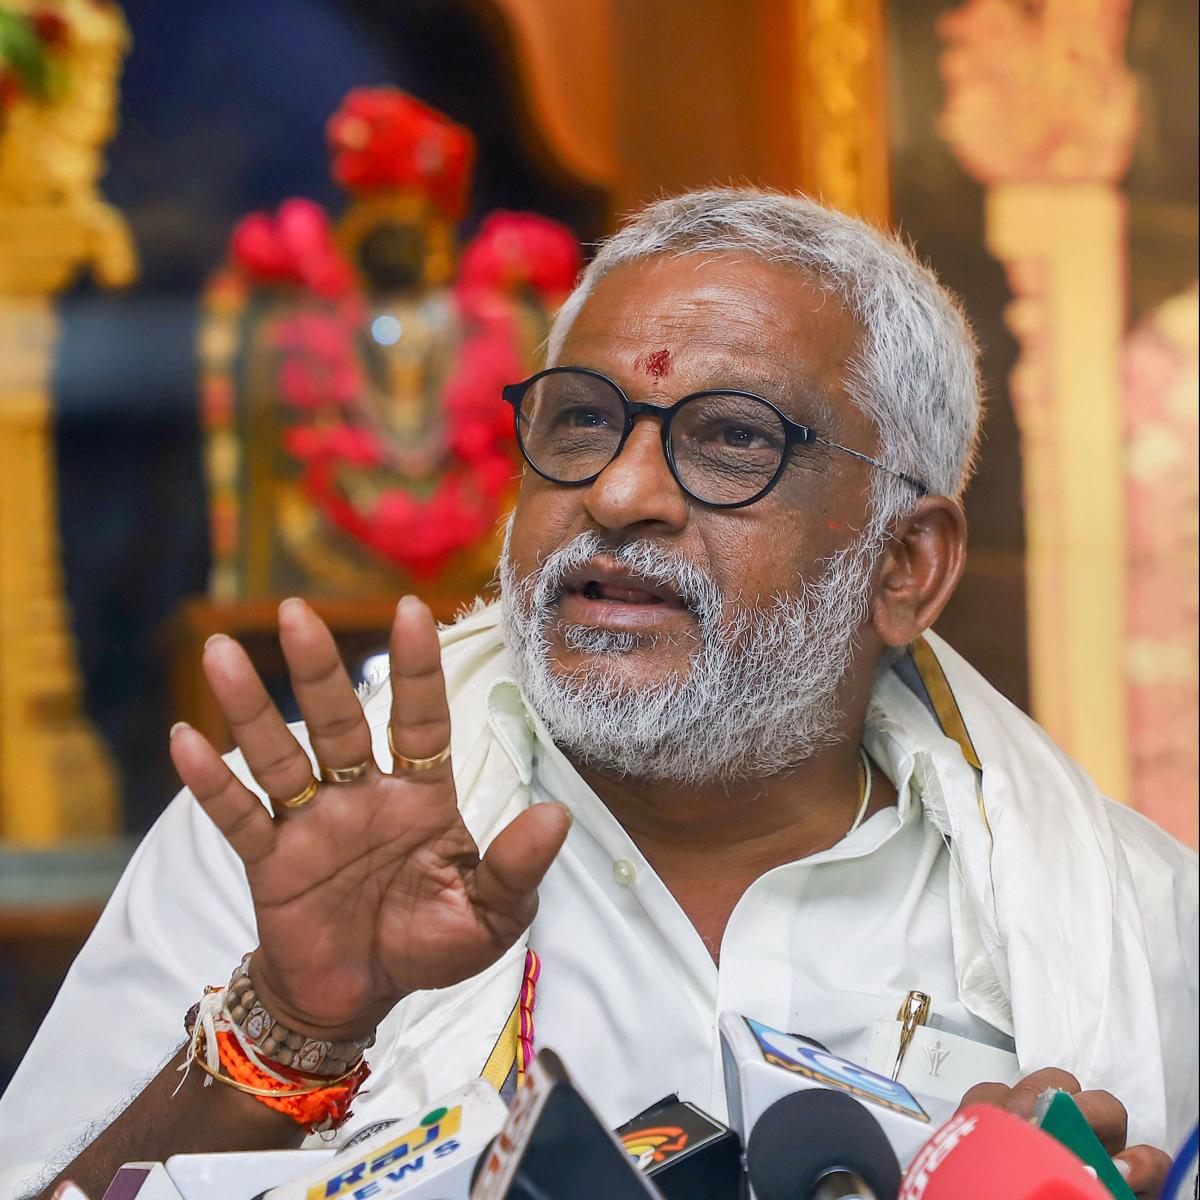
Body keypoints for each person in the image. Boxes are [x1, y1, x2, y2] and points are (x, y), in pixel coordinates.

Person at [2, 189, 1195, 1200]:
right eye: (582, 420)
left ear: (904, 566)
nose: (620, 493)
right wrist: (292, 1028)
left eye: (732, 439)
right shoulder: (304, 840)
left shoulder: (1133, 924)